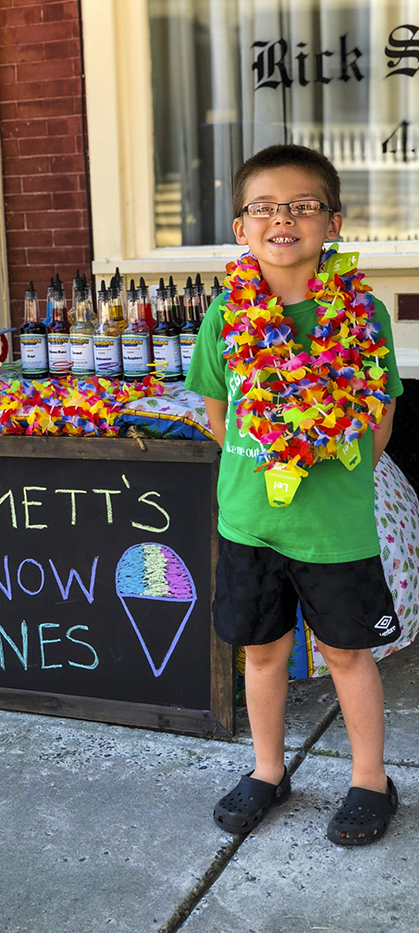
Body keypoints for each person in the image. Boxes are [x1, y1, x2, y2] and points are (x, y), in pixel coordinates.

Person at [185, 144, 404, 846]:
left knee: (348, 653)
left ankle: (371, 777)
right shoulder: (225, 315)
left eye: (303, 205)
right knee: (262, 650)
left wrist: (331, 476)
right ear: (242, 228)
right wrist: (263, 464)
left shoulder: (364, 315)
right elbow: (221, 415)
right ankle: (268, 769)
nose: (284, 218)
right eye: (264, 207)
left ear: (332, 222)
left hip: (334, 528)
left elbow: (381, 417)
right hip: (250, 522)